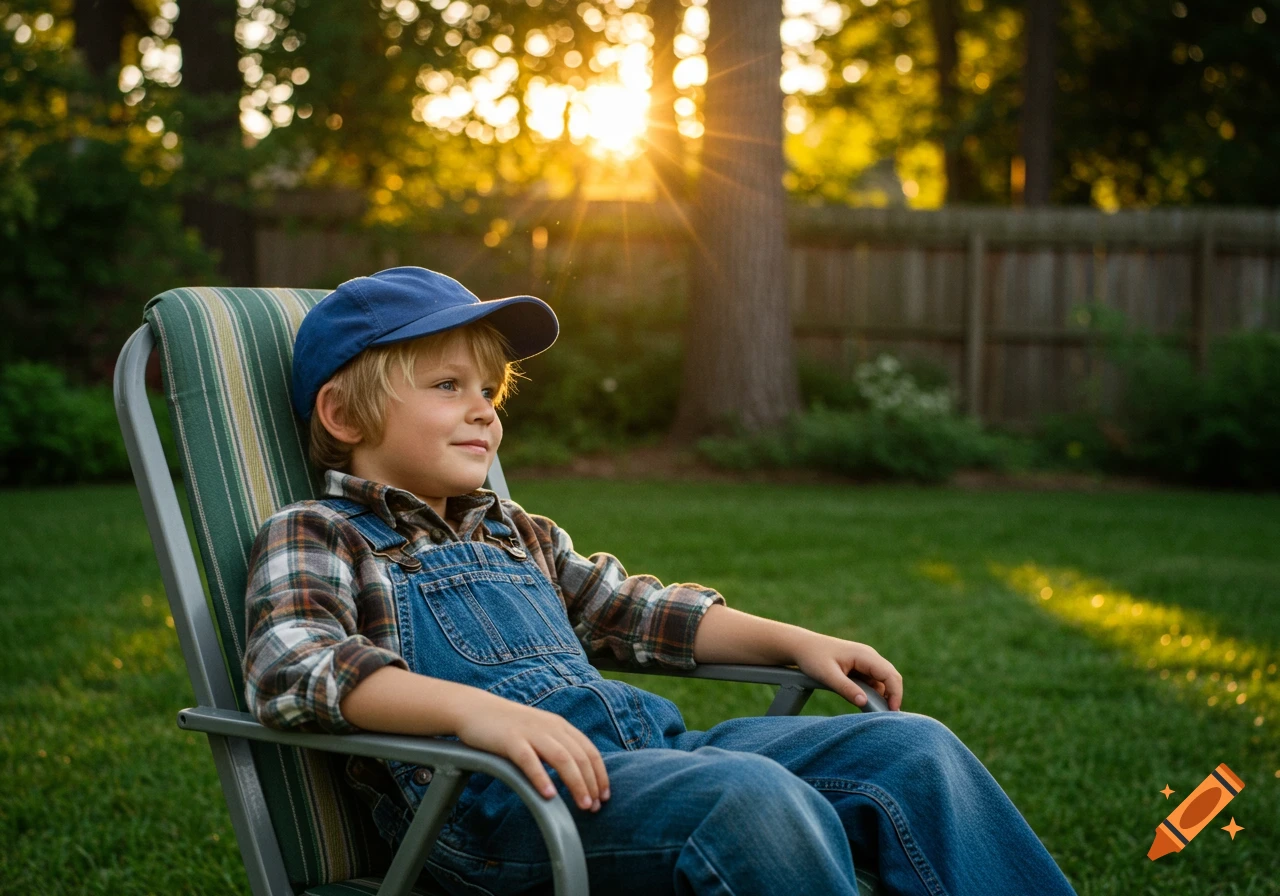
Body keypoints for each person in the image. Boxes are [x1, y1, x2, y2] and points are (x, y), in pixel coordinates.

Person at [243, 266, 1077, 896]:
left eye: (490, 390)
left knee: (913, 749)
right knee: (745, 796)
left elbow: (634, 610)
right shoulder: (320, 532)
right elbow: (294, 664)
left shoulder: (515, 530)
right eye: (448, 386)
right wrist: (475, 711)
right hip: (490, 809)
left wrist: (797, 642)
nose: (486, 410)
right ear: (345, 416)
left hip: (644, 757)